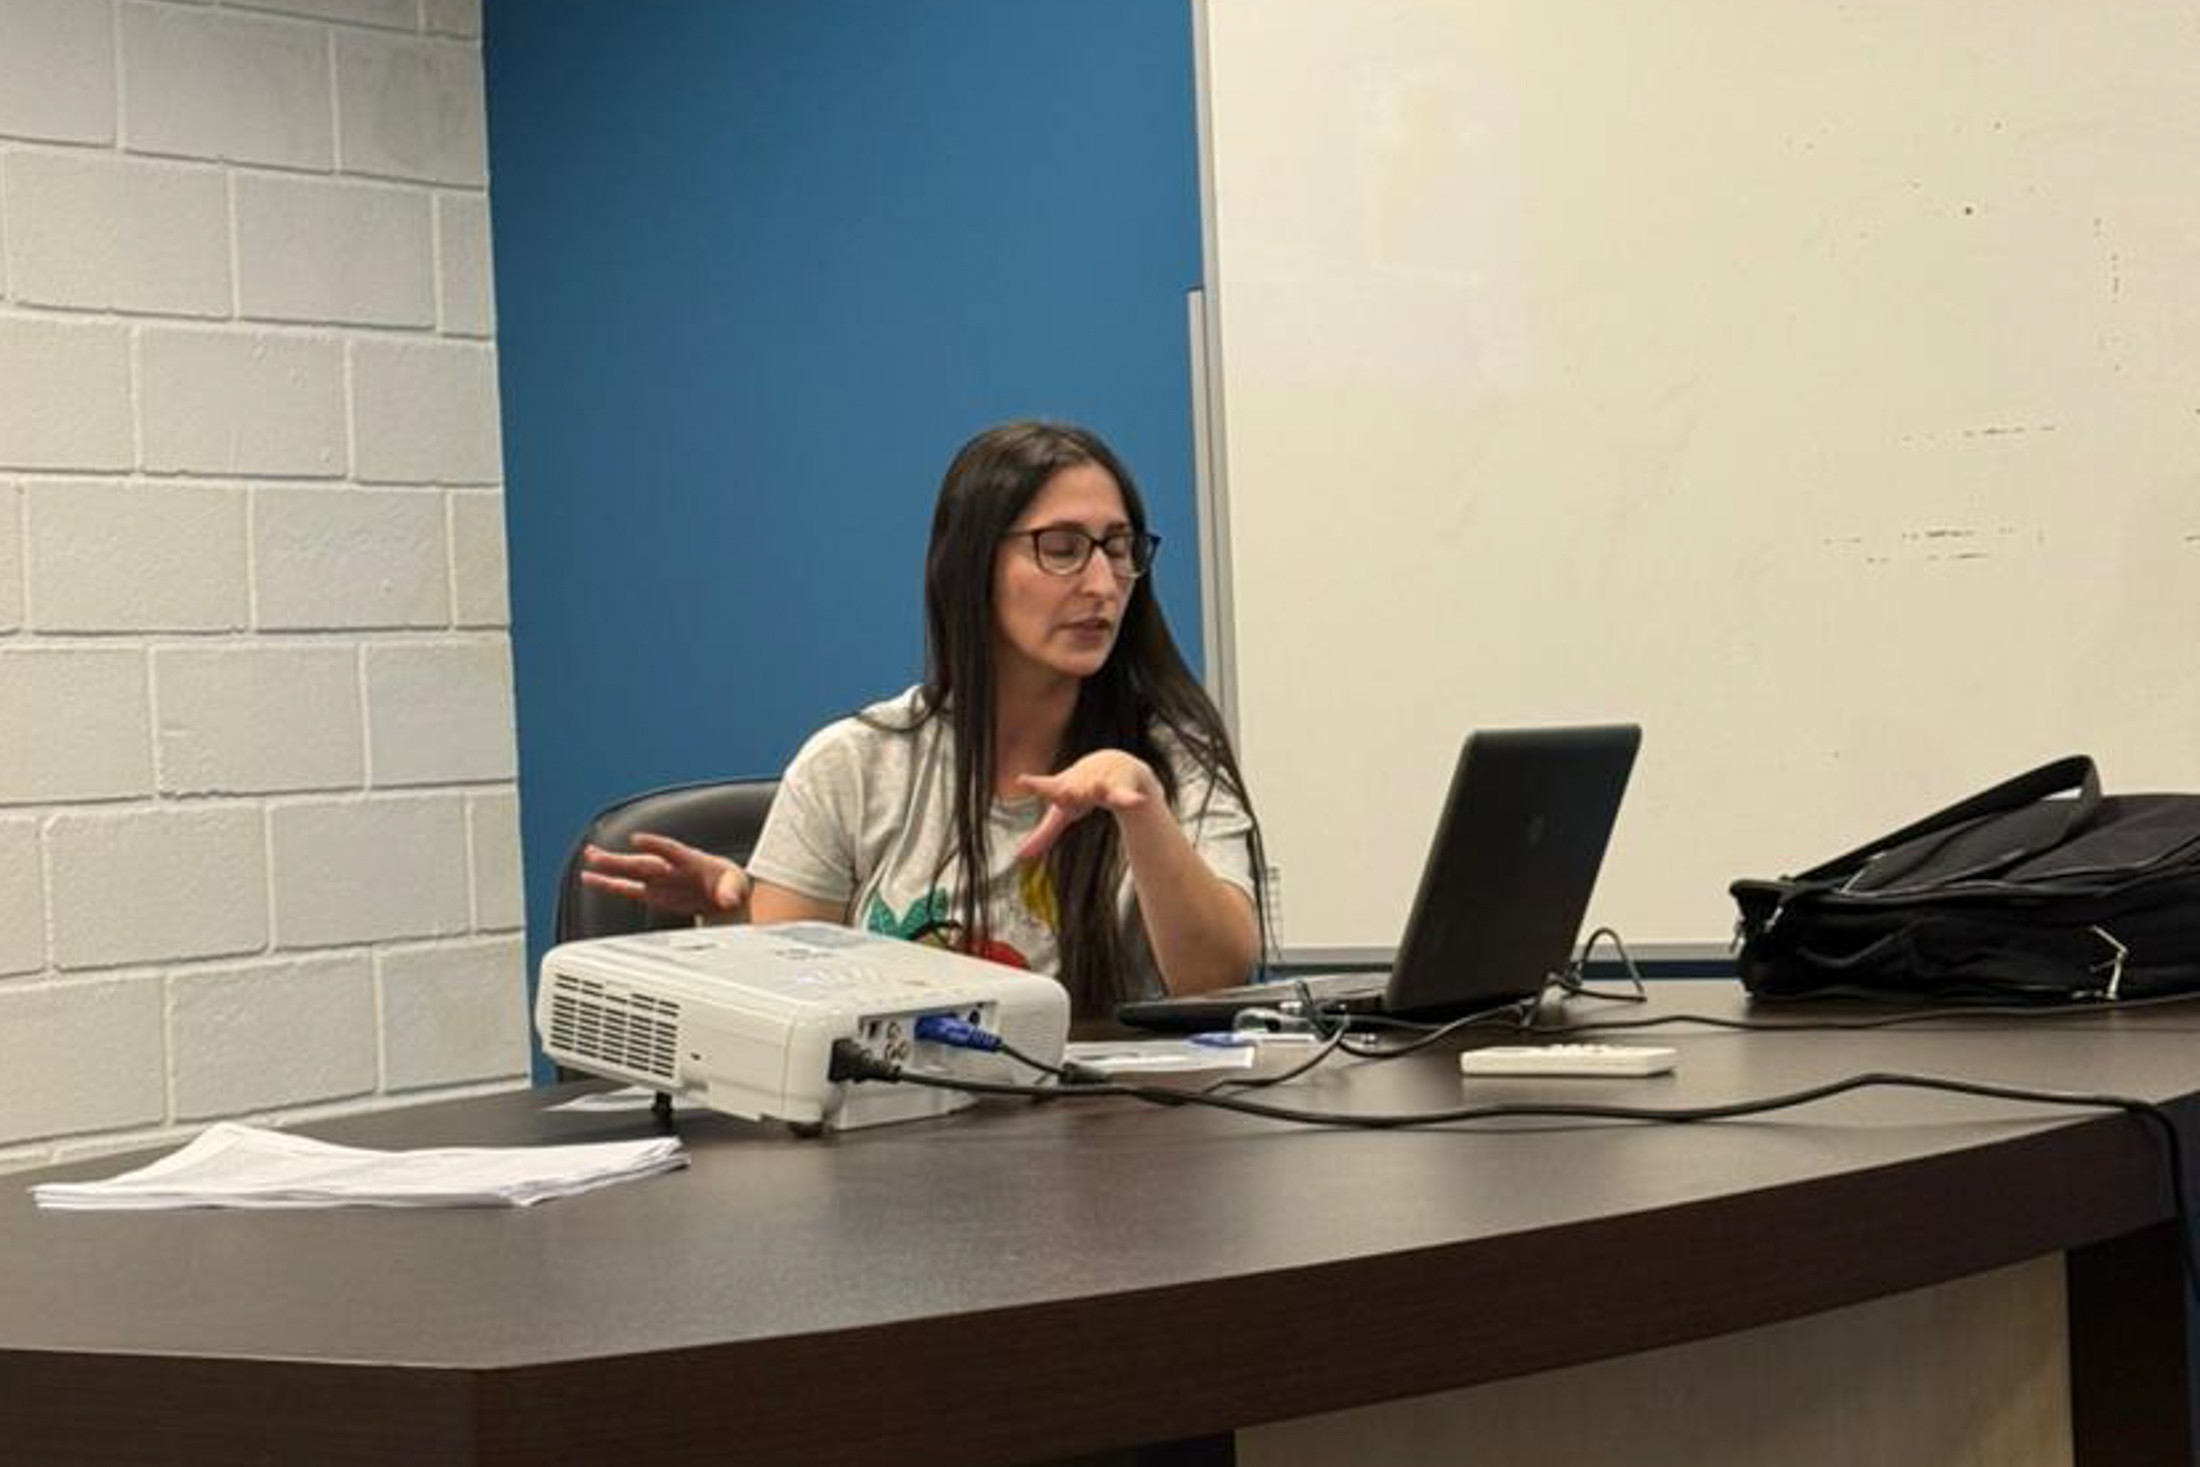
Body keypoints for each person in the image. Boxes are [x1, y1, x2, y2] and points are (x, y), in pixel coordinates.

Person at [580, 420, 1266, 1019]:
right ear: (971, 564)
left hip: (1111, 1125)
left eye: (1117, 548)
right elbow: (790, 1023)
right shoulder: (852, 766)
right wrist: (741, 927)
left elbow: (1215, 980)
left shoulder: (1172, 756)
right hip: (898, 1126)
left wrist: (1142, 811)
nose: (1101, 583)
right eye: (1061, 547)